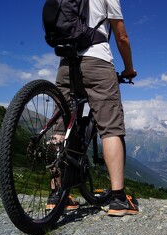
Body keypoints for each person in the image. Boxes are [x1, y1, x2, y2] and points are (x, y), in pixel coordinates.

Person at [46, 0, 138, 216]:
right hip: (97, 61)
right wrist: (129, 68)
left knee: (60, 128)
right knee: (111, 127)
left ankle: (56, 195)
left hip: (66, 63)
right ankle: (118, 199)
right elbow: (121, 36)